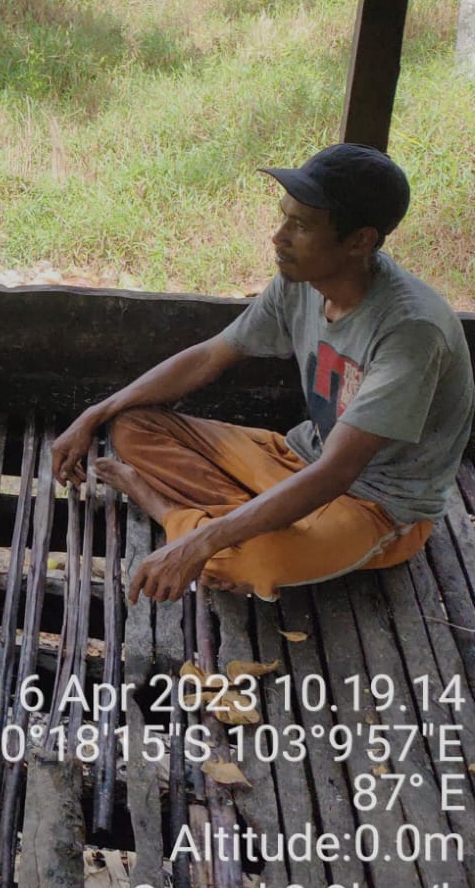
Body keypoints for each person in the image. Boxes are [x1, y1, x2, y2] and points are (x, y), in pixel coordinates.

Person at [53, 143, 474, 604]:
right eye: (283, 217)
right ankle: (242, 521)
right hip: (296, 458)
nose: (278, 237)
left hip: (375, 506)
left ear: (360, 241)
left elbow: (337, 472)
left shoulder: (411, 331)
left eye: (300, 226)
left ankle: (166, 508)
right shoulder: (302, 283)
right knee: (133, 424)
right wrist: (96, 412)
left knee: (243, 562)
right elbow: (210, 356)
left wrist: (199, 542)